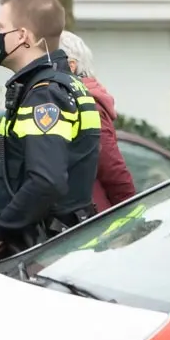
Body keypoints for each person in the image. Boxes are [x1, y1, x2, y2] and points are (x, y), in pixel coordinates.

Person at [0, 0, 101, 259]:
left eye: (1, 26)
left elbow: (47, 181)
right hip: (51, 246)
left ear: (22, 36)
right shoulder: (58, 86)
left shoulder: (45, 94)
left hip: (45, 250)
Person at [59, 30, 136, 208]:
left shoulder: (86, 105)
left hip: (92, 222)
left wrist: (134, 218)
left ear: (71, 66)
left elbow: (113, 171)